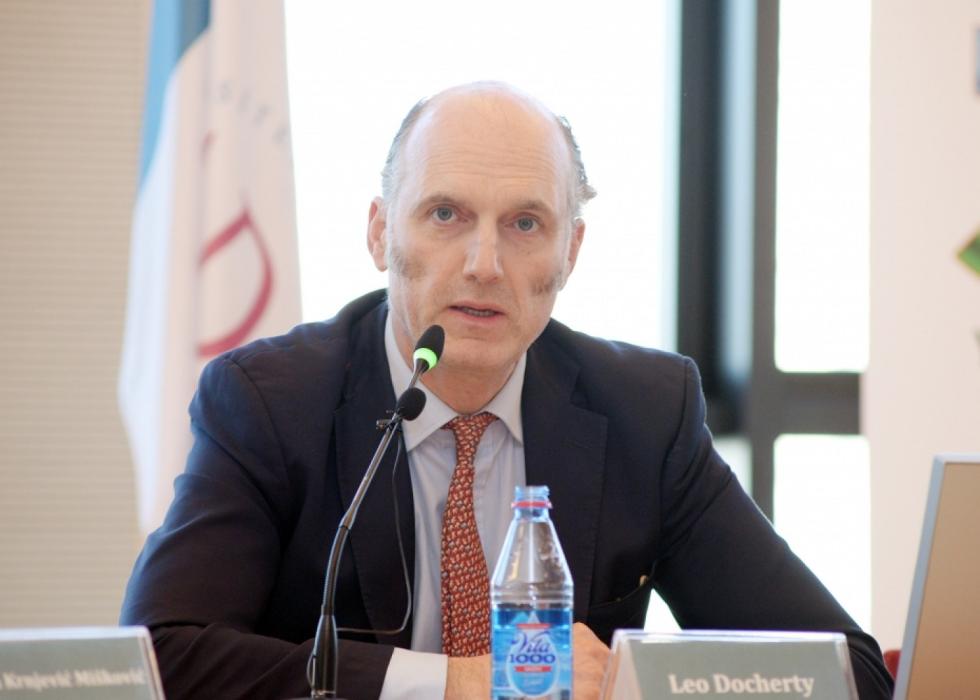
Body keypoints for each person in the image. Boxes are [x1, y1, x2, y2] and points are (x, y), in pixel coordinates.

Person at [120, 82, 894, 700]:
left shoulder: (645, 414)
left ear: (571, 251)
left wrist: (634, 681)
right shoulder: (272, 402)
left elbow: (844, 671)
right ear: (380, 233)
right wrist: (456, 685)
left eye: (525, 224)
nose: (484, 264)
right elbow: (162, 659)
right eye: (446, 214)